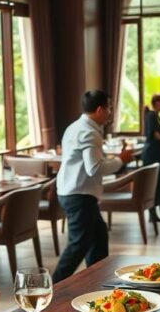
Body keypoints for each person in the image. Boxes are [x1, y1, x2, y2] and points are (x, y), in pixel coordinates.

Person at [52, 90, 133, 281]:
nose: (110, 112)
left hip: (70, 190)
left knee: (98, 237)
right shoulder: (89, 132)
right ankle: (50, 290)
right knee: (78, 245)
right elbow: (94, 168)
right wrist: (120, 160)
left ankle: (98, 282)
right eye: (109, 108)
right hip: (79, 194)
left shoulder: (74, 127)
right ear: (99, 109)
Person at [141, 93, 160, 222]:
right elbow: (156, 135)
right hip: (152, 154)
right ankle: (152, 211)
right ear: (156, 102)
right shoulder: (151, 116)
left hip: (156, 152)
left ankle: (154, 210)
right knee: (155, 183)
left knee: (159, 182)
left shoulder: (155, 116)